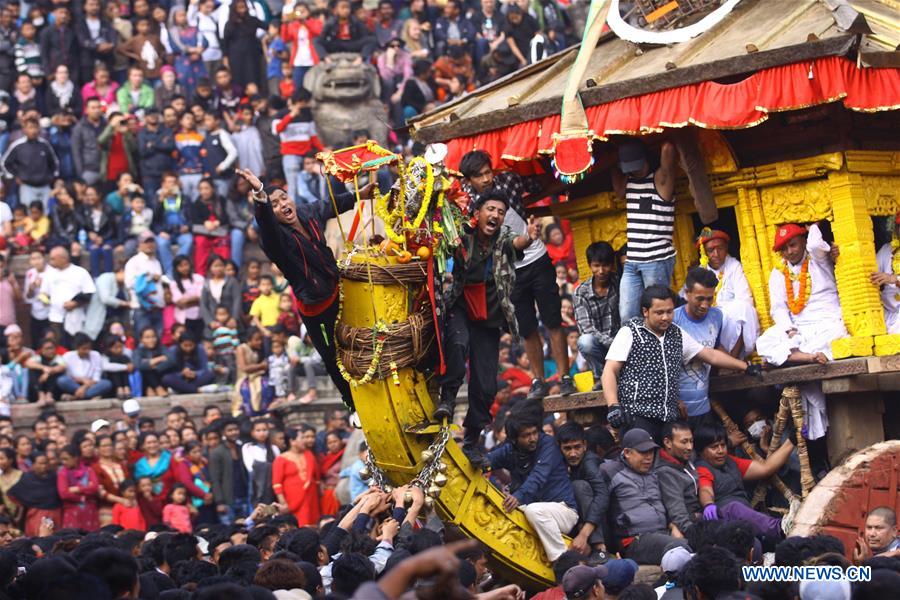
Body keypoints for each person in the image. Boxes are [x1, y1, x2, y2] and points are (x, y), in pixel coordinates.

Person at [237, 167, 372, 416]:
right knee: (332, 355)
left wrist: (359, 195)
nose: (281, 205)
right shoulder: (276, 240)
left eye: (283, 199)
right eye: (275, 205)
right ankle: (352, 403)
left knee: (358, 334)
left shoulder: (308, 213)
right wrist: (260, 195)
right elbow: (266, 223)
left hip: (336, 288)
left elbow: (330, 204)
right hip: (315, 305)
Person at [434, 188, 544, 466]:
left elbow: (516, 243)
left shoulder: (503, 240)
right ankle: (446, 398)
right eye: (490, 209)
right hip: (461, 306)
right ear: (478, 212)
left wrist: (530, 237)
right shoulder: (462, 235)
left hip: (489, 319)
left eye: (500, 212)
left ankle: (471, 439)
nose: (495, 215)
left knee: (485, 385)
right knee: (457, 346)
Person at [457, 150, 574, 400]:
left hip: (537, 260)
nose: (487, 179)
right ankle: (538, 381)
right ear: (468, 180)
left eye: (489, 172)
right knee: (527, 328)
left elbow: (540, 182)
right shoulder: (464, 204)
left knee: (553, 320)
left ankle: (565, 377)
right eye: (480, 176)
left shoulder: (509, 180)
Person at [601, 285, 759, 442]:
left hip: (669, 419)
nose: (665, 317)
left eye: (669, 312)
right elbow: (610, 371)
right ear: (645, 312)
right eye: (659, 312)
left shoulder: (676, 333)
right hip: (637, 417)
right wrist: (613, 406)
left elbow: (710, 355)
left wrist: (745, 367)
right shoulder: (630, 332)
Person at [755, 222, 847, 445]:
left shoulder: (818, 258)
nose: (790, 252)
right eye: (784, 249)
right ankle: (806, 358)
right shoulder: (778, 273)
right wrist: (788, 328)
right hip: (798, 329)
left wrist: (812, 224)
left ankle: (791, 358)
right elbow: (777, 307)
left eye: (794, 245)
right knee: (764, 341)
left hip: (828, 323)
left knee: (834, 337)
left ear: (803, 241)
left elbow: (816, 243)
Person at [488, 407, 577, 562]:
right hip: (532, 510)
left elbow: (539, 476)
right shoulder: (510, 449)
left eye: (535, 432)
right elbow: (487, 461)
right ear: (514, 439)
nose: (533, 438)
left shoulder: (547, 444)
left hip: (563, 510)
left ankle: (562, 561)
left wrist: (518, 496)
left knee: (534, 511)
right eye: (526, 435)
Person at [597, 428, 690, 564]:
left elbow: (666, 503)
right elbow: (599, 506)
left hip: (663, 533)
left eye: (651, 452)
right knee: (678, 549)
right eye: (643, 452)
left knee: (697, 543)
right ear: (627, 452)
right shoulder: (610, 472)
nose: (649, 457)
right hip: (634, 540)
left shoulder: (654, 473)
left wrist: (673, 525)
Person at [694, 423, 797, 540]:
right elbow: (705, 490)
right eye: (714, 447)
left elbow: (766, 468)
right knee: (734, 508)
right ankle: (780, 527)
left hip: (745, 522)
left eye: (723, 445)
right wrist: (708, 505)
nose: (720, 451)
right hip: (724, 522)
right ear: (701, 451)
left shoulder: (730, 461)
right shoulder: (702, 468)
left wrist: (792, 440)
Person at [611, 140, 677, 322]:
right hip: (633, 260)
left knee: (658, 314)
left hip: (656, 260)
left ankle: (662, 349)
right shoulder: (628, 181)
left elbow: (668, 148)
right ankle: (637, 350)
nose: (634, 171)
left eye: (636, 166)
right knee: (627, 315)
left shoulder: (660, 180)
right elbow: (618, 189)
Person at [691, 229, 760, 356]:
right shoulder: (700, 272)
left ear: (726, 248)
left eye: (720, 248)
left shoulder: (734, 266)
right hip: (708, 320)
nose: (716, 254)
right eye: (711, 250)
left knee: (744, 310)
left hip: (731, 320)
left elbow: (745, 299)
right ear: (704, 252)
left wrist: (726, 314)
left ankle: (733, 359)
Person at [672, 267, 725, 425]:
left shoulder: (717, 316)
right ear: (687, 293)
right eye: (700, 299)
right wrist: (673, 398)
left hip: (703, 408)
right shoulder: (672, 319)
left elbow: (715, 349)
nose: (705, 305)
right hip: (677, 411)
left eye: (710, 299)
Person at [556, 422, 606, 558]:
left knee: (578, 486)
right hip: (582, 523)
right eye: (567, 448)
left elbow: (602, 495)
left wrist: (584, 533)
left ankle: (600, 549)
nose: (573, 454)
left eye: (577, 447)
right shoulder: (562, 465)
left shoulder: (589, 462)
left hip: (605, 524)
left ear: (584, 445)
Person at [574, 241, 619, 390]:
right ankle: (602, 376)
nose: (601, 271)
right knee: (585, 341)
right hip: (601, 346)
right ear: (590, 265)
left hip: (622, 345)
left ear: (612, 265)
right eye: (596, 266)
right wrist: (612, 343)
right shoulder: (581, 292)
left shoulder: (619, 283)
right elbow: (586, 328)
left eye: (605, 265)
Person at [654, 421, 701, 538]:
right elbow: (676, 509)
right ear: (667, 443)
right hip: (692, 522)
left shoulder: (686, 458)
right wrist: (694, 534)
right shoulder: (665, 472)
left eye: (691, 441)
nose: (689, 447)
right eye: (684, 442)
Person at [1, 118, 59, 211]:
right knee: (29, 213)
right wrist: (14, 176)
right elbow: (5, 163)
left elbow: (54, 163)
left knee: (47, 214)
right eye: (30, 127)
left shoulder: (44, 144)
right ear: (24, 129)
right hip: (27, 187)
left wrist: (52, 177)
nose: (33, 130)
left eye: (35, 127)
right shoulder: (18, 145)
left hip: (44, 186)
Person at [272, 427, 321, 527]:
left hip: (311, 498)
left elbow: (316, 477)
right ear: (292, 441)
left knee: (313, 526)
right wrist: (283, 503)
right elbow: (277, 484)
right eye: (302, 438)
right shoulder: (281, 459)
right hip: (292, 501)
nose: (305, 441)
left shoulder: (309, 454)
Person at [7, 453, 61, 536]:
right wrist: (24, 504)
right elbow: (12, 493)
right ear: (33, 465)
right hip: (36, 515)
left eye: (45, 463)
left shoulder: (54, 476)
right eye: (40, 463)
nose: (44, 466)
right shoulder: (28, 478)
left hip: (55, 514)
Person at [124, 231, 165, 335]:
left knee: (157, 340)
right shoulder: (134, 262)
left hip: (157, 307)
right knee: (143, 341)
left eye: (152, 242)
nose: (149, 245)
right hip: (141, 308)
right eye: (146, 242)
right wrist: (148, 278)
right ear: (139, 245)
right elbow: (129, 283)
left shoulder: (156, 262)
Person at [210, 417, 250, 523]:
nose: (233, 433)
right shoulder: (217, 452)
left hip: (245, 496)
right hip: (228, 499)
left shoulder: (243, 448)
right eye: (230, 430)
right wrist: (220, 502)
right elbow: (215, 479)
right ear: (223, 433)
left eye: (236, 429)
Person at [57, 444, 101, 531]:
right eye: (62, 459)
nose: (63, 462)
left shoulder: (88, 470)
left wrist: (78, 489)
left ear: (76, 458)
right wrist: (83, 496)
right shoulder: (62, 473)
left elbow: (95, 487)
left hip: (90, 512)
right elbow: (64, 493)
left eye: (66, 459)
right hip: (72, 512)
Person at [59, 333, 114, 400]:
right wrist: (82, 380)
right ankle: (87, 395)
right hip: (74, 385)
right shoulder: (68, 356)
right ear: (77, 347)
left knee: (106, 383)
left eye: (89, 348)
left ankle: (75, 397)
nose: (87, 351)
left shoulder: (96, 355)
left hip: (92, 385)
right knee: (62, 380)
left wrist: (84, 387)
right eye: (84, 349)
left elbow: (96, 378)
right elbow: (68, 376)